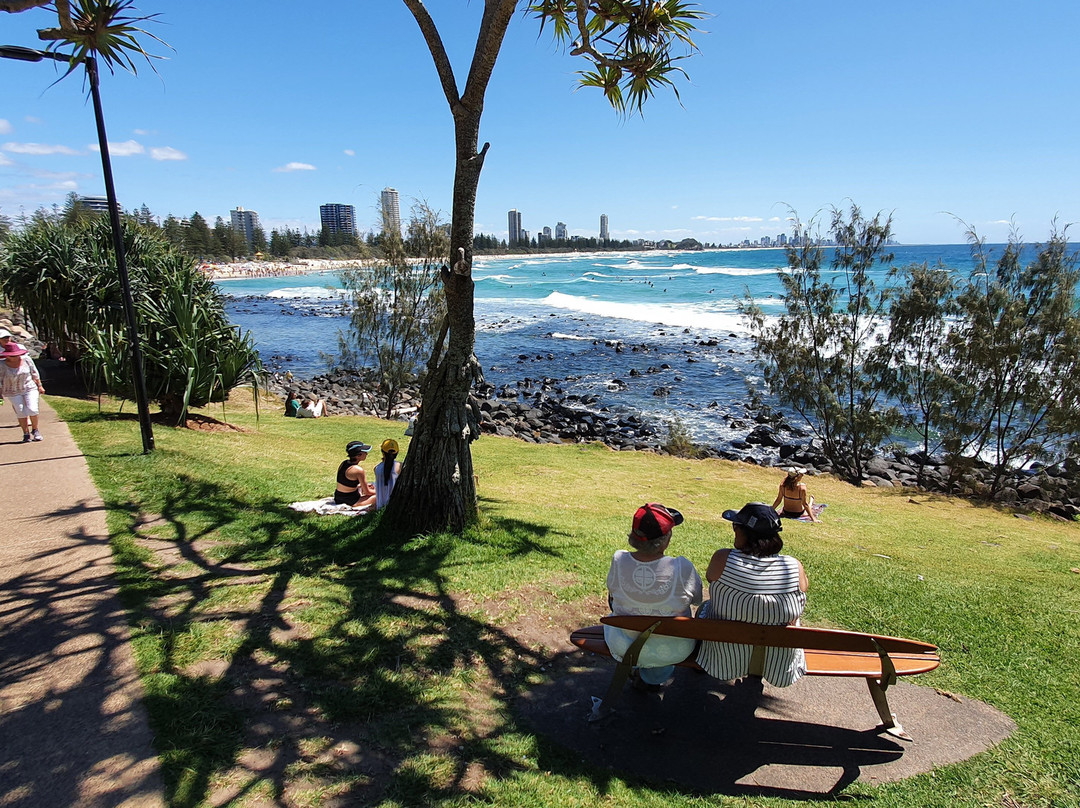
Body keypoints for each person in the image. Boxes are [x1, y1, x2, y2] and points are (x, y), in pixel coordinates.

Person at [696, 502, 808, 687]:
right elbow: (803, 588)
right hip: (778, 665)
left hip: (723, 661)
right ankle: (757, 665)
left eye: (735, 527)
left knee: (704, 608)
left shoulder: (722, 559)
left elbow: (710, 577)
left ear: (745, 533)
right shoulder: (793, 566)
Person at [605, 503, 703, 689]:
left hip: (624, 643)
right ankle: (653, 677)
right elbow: (697, 600)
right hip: (674, 649)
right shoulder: (682, 567)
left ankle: (640, 671)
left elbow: (612, 597)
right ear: (665, 539)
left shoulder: (619, 560)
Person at [2, 342, 46, 442]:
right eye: (13, 355)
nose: (16, 357)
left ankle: (35, 430)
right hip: (12, 390)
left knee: (32, 409)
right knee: (20, 411)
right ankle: (25, 433)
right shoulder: (2, 365)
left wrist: (39, 386)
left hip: (29, 387)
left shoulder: (26, 360)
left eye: (17, 354)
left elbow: (34, 373)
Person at [334, 440, 376, 508]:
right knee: (380, 497)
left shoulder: (344, 463)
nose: (366, 454)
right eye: (365, 452)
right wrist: (379, 491)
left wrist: (363, 485)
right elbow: (367, 492)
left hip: (338, 497)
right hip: (350, 500)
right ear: (358, 455)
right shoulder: (358, 470)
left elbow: (346, 482)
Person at [373, 438, 402, 510]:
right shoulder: (400, 466)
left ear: (382, 452)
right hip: (396, 507)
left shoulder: (376, 468)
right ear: (397, 453)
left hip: (380, 506)